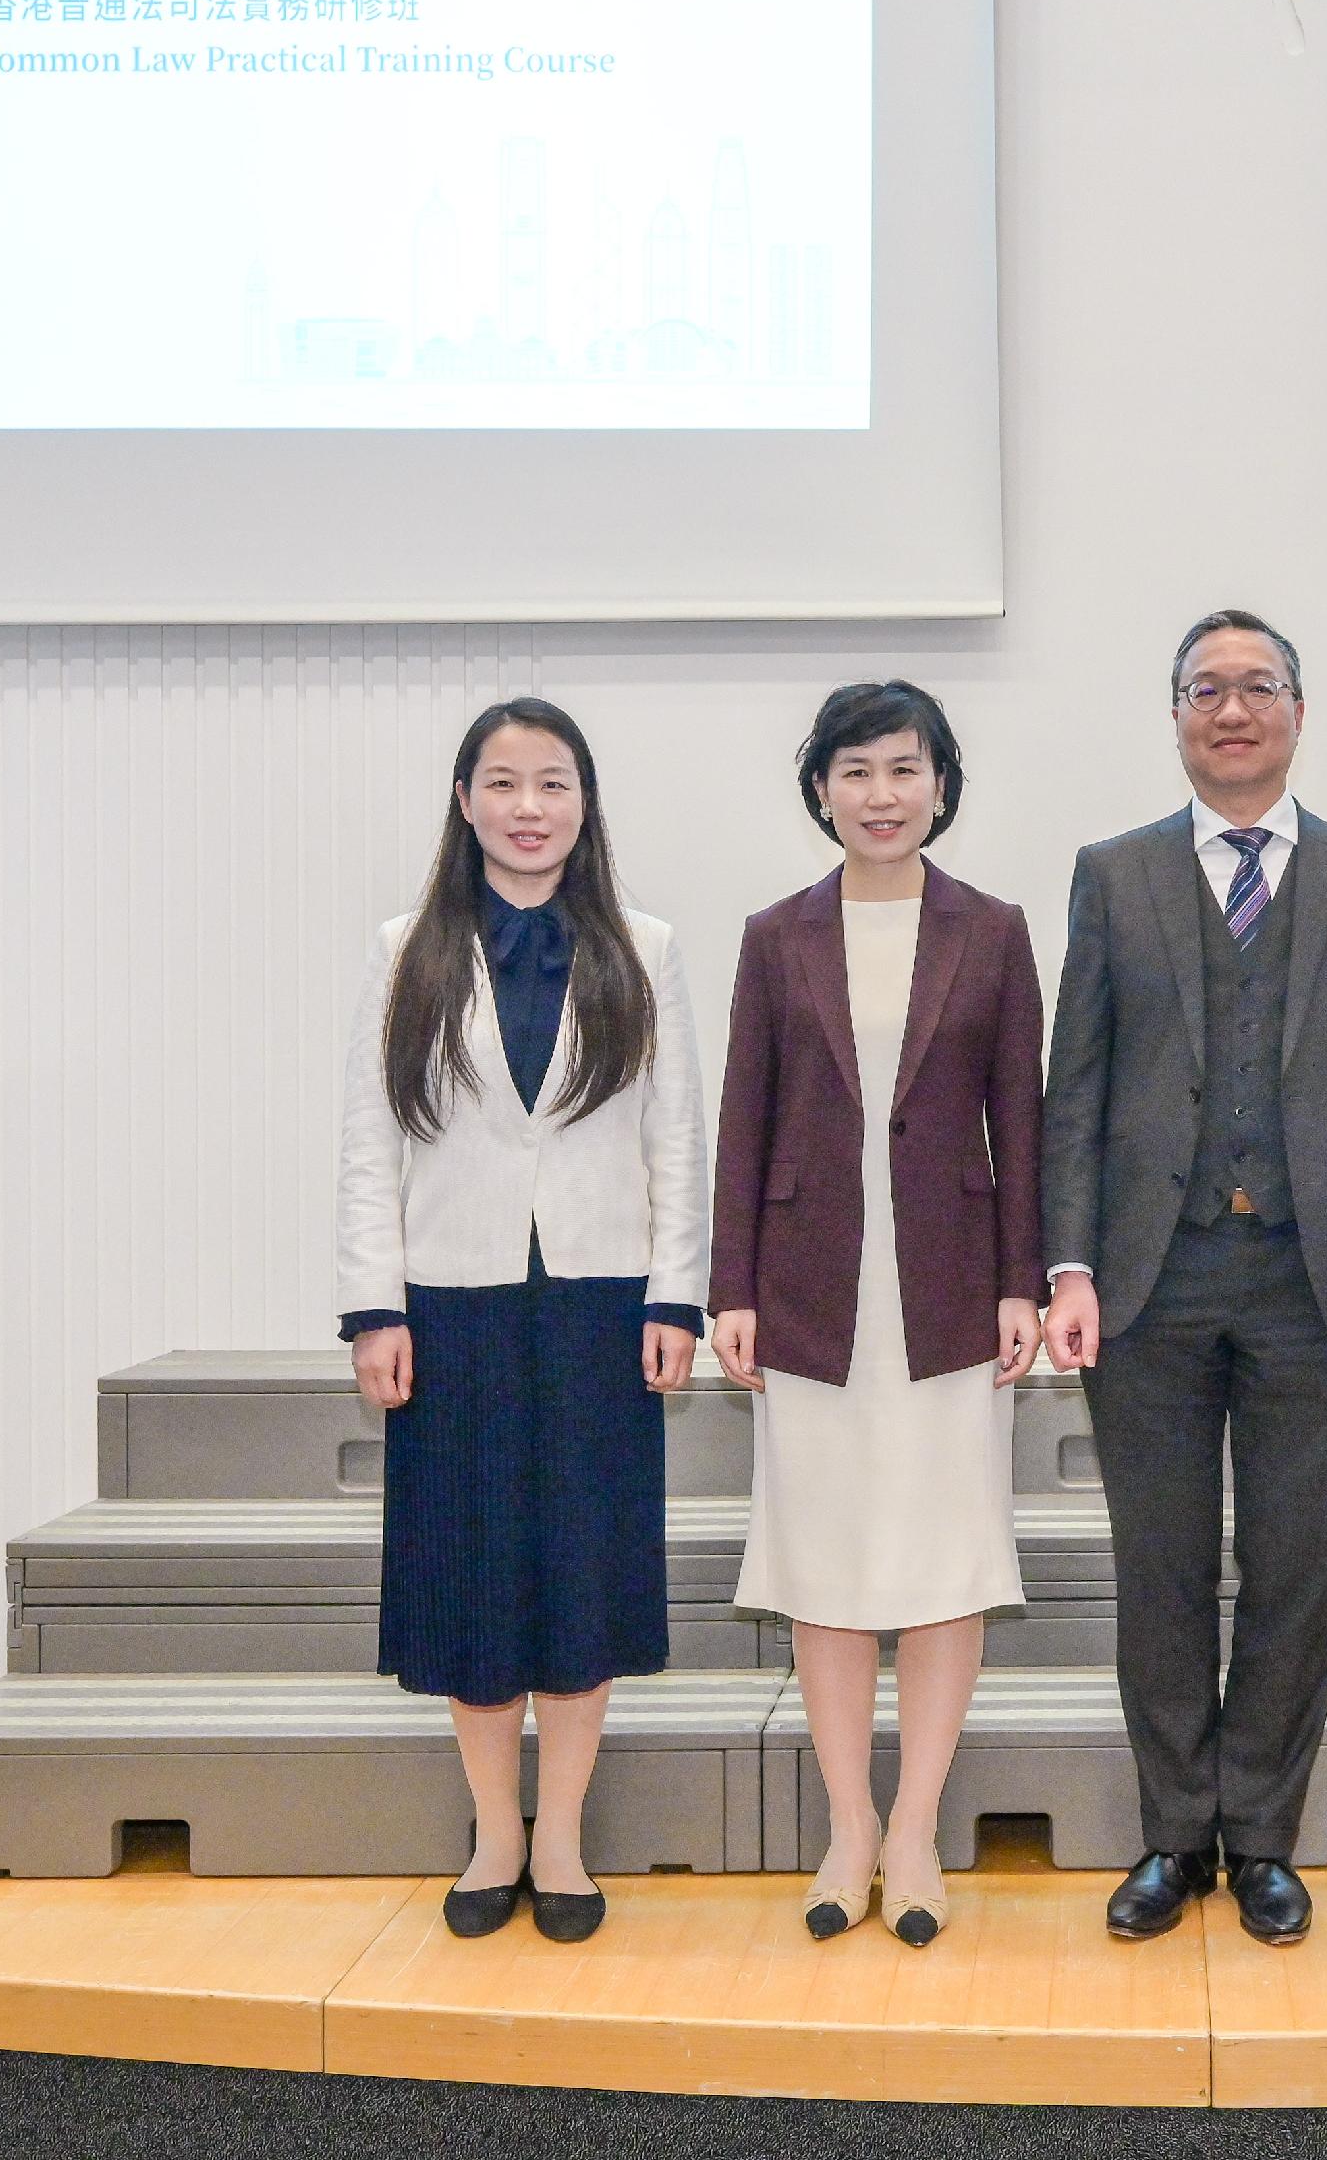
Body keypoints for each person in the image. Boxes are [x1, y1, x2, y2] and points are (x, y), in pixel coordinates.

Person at [1040, 610, 1327, 1948]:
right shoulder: (1112, 875)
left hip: (1317, 1284)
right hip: (1148, 1285)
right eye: (1205, 688)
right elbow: (1075, 1093)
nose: (1231, 708)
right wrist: (1070, 1261)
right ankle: (1173, 1833)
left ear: (1298, 711)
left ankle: (1261, 1834)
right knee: (1158, 1569)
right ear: (1174, 716)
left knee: (1291, 1571)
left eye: (1256, 685)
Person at [336, 697, 707, 1947]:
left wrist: (676, 1292)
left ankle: (564, 1833)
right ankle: (495, 1826)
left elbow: (675, 1136)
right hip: (453, 1301)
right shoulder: (404, 948)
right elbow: (367, 1144)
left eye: (553, 783)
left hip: (604, 1300)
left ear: (585, 802)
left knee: (582, 1569)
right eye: (503, 782)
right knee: (472, 1570)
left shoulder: (644, 946)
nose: (529, 806)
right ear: (465, 800)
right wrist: (371, 1308)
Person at [711, 681, 1046, 1949]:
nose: (882, 794)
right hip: (807, 1287)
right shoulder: (774, 934)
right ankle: (846, 1825)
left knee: (948, 1559)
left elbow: (1022, 1116)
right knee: (826, 1563)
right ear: (820, 790)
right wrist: (729, 1287)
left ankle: (915, 1832)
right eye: (855, 770)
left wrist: (1026, 1275)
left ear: (942, 785)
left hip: (952, 1285)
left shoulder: (996, 930)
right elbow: (744, 1113)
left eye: (905, 768)